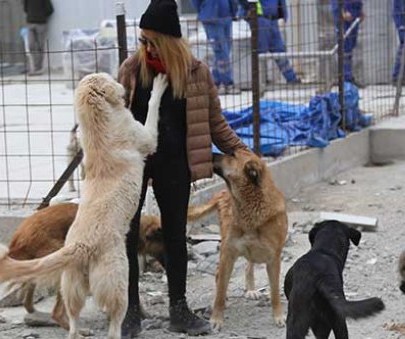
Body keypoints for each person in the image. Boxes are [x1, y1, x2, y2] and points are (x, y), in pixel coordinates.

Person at [117, 0, 248, 337]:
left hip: (175, 163)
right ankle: (130, 311)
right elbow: (113, 119)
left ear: (169, 41)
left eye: (151, 40)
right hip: (134, 164)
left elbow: (215, 122)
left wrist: (241, 151)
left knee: (175, 235)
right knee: (128, 235)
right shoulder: (132, 69)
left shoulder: (195, 72)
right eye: (142, 40)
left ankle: (179, 309)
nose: (145, 47)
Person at [238, 0, 301, 84]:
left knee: (279, 50)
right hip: (260, 19)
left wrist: (283, 15)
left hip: (272, 19)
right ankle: (261, 80)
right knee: (261, 52)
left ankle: (291, 79)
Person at [191, 0, 240, 94]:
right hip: (212, 18)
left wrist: (234, 11)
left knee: (224, 51)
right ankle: (227, 83)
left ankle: (215, 82)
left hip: (226, 16)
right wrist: (204, 10)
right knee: (221, 52)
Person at [331, 0, 363, 86]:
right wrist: (341, 11)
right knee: (345, 45)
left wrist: (359, 10)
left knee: (351, 43)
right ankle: (345, 77)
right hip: (344, 9)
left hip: (353, 8)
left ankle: (347, 76)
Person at [23, 0, 54, 75]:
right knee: (31, 45)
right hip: (30, 23)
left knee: (40, 46)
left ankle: (38, 68)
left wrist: (42, 16)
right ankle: (33, 67)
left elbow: (50, 9)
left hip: (41, 23)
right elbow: (25, 8)